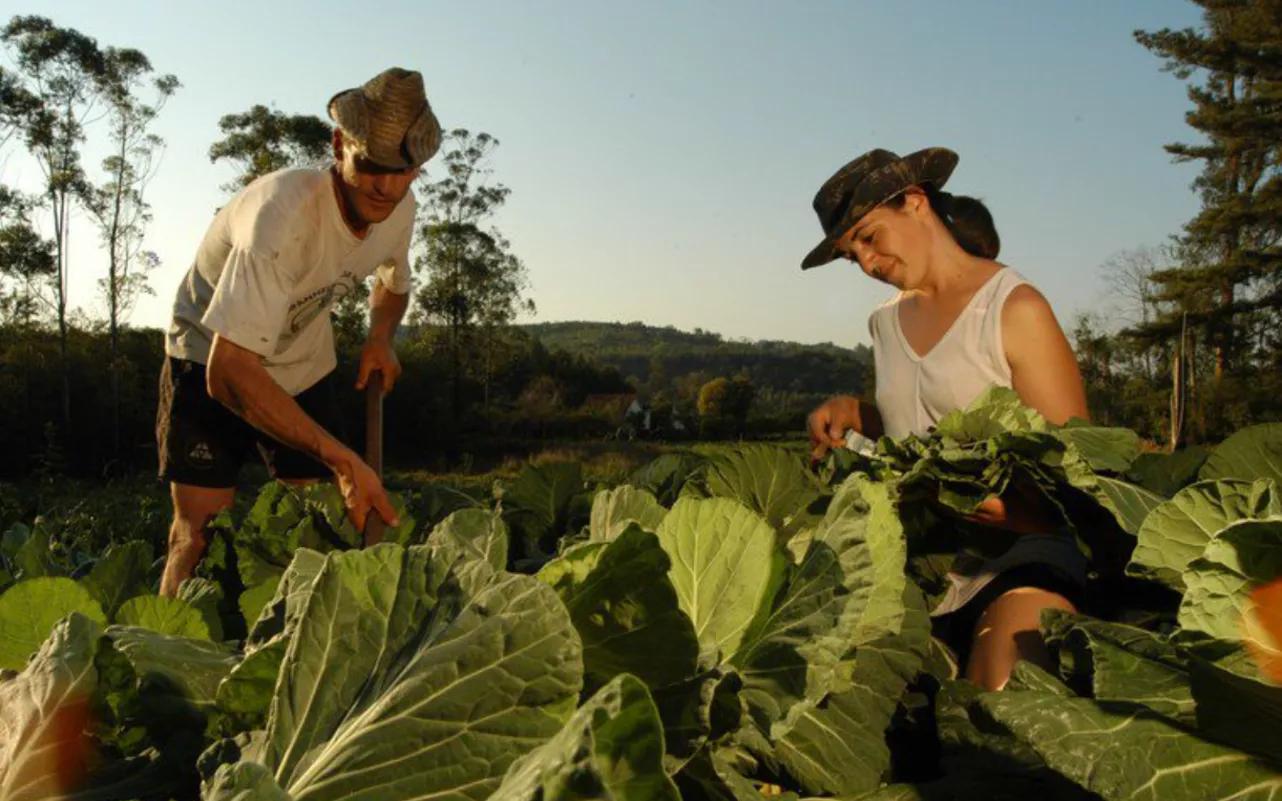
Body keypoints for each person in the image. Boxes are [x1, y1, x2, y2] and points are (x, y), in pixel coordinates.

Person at [801, 147, 1089, 690]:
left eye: (868, 237)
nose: (865, 263)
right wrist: (855, 413)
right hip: (920, 559)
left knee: (1009, 698)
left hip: (1018, 556)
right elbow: (914, 423)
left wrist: (1015, 510)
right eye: (849, 254)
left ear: (914, 202)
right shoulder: (884, 324)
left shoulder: (1013, 308)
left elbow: (1082, 473)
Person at [154, 67, 441, 596]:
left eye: (404, 171)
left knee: (310, 528)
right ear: (338, 144)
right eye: (371, 165)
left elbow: (394, 281)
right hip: (208, 357)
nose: (386, 185)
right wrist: (343, 458)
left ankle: (285, 652)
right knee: (196, 538)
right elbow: (230, 375)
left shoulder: (399, 210)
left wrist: (381, 337)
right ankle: (160, 667)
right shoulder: (280, 218)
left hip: (302, 366)